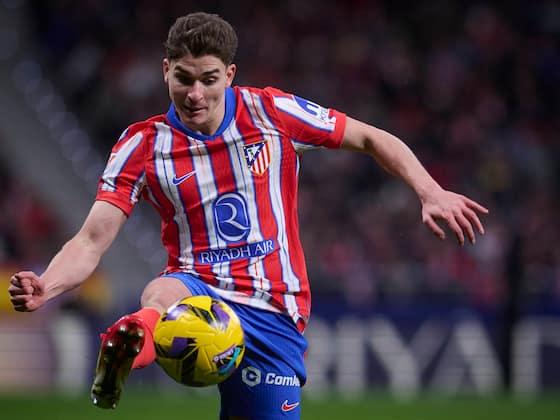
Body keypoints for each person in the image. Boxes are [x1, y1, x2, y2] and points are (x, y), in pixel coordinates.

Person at [8, 11, 488, 419]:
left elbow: (369, 136)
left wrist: (430, 191)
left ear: (230, 74)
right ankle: (132, 341)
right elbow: (92, 239)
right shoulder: (143, 145)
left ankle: (139, 340)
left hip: (272, 308)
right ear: (166, 71)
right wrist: (48, 284)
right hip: (198, 289)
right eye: (184, 78)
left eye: (209, 79)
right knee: (161, 293)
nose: (195, 94)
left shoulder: (271, 112)